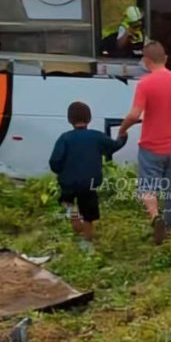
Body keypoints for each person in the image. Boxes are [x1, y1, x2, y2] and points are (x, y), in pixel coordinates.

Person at [118, 41, 171, 244]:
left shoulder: (145, 84)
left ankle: (156, 217)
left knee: (147, 188)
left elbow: (134, 114)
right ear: (165, 59)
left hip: (151, 147)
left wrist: (122, 129)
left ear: (146, 61)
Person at [49, 101, 128, 241]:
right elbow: (114, 146)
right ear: (89, 118)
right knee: (88, 215)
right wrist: (123, 136)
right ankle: (87, 242)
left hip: (68, 183)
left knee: (67, 200)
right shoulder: (97, 136)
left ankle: (73, 214)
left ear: (69, 120)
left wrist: (61, 172)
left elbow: (55, 161)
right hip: (89, 183)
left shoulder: (64, 138)